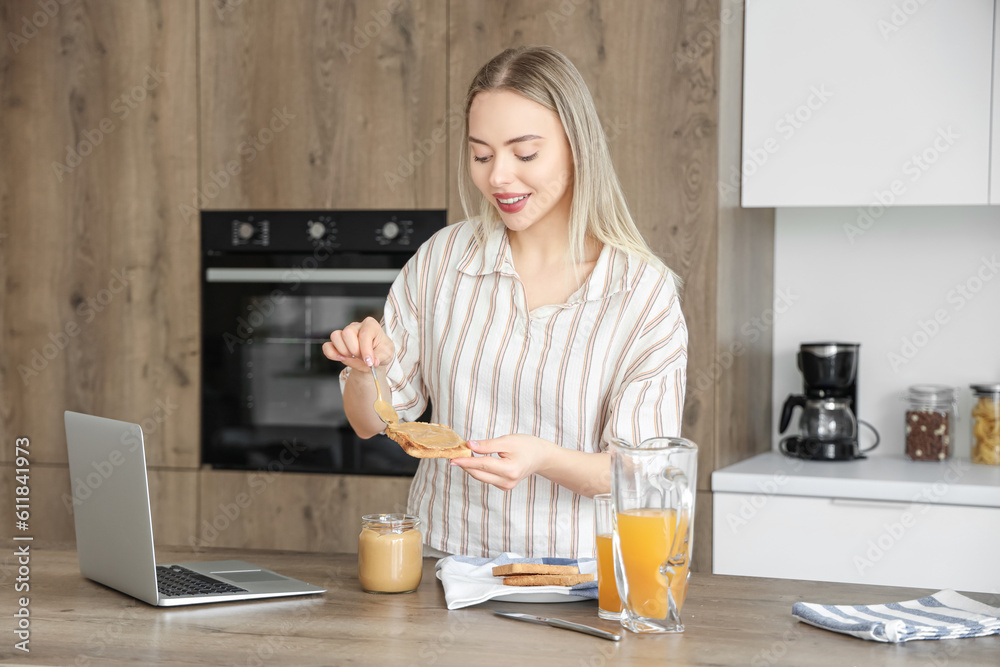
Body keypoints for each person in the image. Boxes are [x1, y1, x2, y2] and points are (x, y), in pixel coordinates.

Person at [324, 46, 687, 559]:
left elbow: (637, 471)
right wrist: (365, 371)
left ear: (577, 146)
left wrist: (542, 458)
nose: (497, 177)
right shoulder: (442, 260)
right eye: (481, 154)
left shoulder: (642, 294)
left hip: (578, 579)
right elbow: (372, 422)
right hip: (444, 566)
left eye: (525, 153)